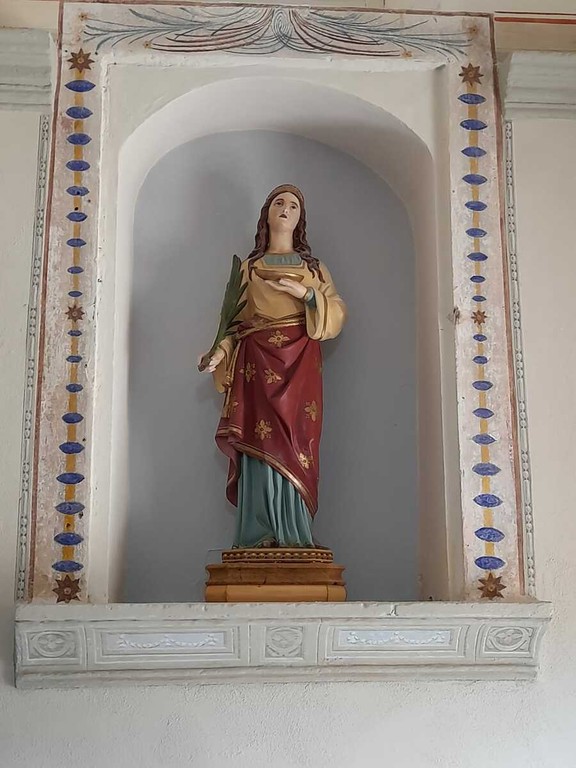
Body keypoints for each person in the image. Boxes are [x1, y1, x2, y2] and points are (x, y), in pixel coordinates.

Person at [201, 184, 346, 548]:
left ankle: (295, 533)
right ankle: (259, 533)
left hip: (300, 364)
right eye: (279, 202)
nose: (285, 208)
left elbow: (337, 313)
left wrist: (306, 294)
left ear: (300, 219)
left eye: (293, 205)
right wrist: (219, 353)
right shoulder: (249, 269)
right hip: (256, 363)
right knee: (258, 439)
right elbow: (232, 323)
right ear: (266, 214)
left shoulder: (314, 268)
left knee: (297, 441)